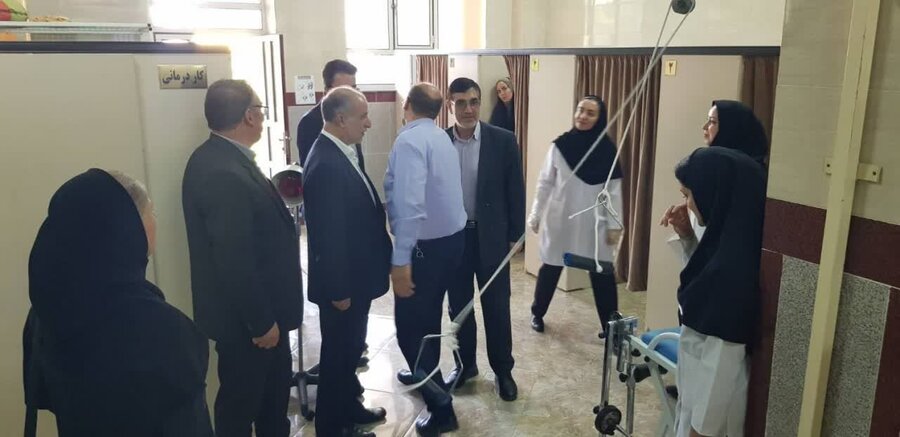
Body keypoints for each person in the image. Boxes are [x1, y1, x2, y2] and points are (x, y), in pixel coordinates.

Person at [25, 169, 212, 436]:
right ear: (128, 227)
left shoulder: (46, 313)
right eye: (150, 212)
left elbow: (44, 395)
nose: (155, 220)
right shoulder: (160, 327)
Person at [182, 79, 303, 437]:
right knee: (241, 407)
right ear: (249, 116)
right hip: (248, 326)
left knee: (272, 403)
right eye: (261, 110)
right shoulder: (222, 171)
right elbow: (234, 259)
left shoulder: (226, 158)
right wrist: (261, 322)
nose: (263, 118)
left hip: (261, 318)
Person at [303, 87, 392, 437]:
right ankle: (333, 427)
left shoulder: (341, 150)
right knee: (338, 357)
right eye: (363, 116)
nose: (368, 123)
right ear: (341, 119)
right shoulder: (326, 163)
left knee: (349, 351)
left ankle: (349, 408)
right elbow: (328, 236)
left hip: (356, 279)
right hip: (343, 286)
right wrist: (338, 289)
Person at [386, 82, 467, 436]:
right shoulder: (440, 137)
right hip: (451, 242)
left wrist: (401, 260)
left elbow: (410, 205)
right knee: (429, 317)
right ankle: (427, 373)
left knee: (409, 329)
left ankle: (440, 406)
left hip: (425, 248)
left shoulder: (410, 141)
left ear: (407, 104)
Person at [672, 146, 766, 437]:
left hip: (709, 421)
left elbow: (722, 363)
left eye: (688, 195)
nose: (687, 204)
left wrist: (700, 431)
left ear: (715, 193)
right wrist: (687, 236)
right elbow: (702, 280)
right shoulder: (728, 244)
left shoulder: (733, 270)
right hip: (695, 397)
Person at [443, 77, 525, 401]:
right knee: (459, 308)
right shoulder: (439, 142)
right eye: (461, 103)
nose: (468, 109)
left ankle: (503, 371)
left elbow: (515, 190)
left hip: (491, 239)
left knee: (497, 307)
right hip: (454, 240)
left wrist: (516, 235)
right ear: (450, 105)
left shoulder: (502, 140)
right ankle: (465, 366)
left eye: (474, 101)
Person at [527, 95, 623, 338]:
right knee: (551, 267)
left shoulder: (607, 150)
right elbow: (545, 183)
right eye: (580, 110)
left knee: (602, 273)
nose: (583, 116)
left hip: (594, 222)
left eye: (590, 113)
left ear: (599, 119)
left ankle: (610, 326)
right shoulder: (559, 146)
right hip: (561, 220)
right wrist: (536, 213)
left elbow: (614, 191)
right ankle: (537, 313)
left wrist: (614, 224)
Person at [660, 100, 768, 264]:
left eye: (712, 122)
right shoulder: (708, 171)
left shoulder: (750, 184)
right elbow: (704, 265)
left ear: (732, 128)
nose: (704, 127)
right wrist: (688, 234)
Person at [296, 59, 363, 169]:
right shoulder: (309, 123)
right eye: (344, 90)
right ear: (327, 91)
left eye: (353, 88)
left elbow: (357, 163)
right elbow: (312, 169)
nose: (352, 95)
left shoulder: (352, 116)